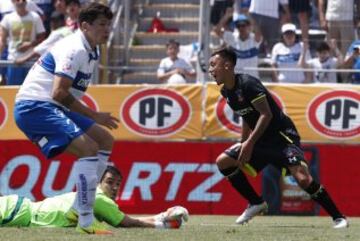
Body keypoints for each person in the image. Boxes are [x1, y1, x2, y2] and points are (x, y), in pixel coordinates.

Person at [208, 47, 349, 228]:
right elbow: (245, 115)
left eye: (213, 65)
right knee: (223, 162)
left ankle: (339, 217)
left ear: (227, 65)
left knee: (302, 178)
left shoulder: (248, 84)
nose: (210, 69)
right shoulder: (226, 92)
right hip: (260, 140)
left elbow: (266, 115)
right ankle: (256, 203)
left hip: (282, 136)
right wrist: (243, 142)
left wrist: (249, 143)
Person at [13, 3, 119, 234]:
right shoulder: (75, 49)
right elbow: (59, 93)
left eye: (108, 24)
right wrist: (94, 115)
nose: (107, 29)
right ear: (85, 26)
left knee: (104, 140)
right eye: (102, 24)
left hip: (51, 106)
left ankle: (80, 207)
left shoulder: (93, 49)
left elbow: (62, 96)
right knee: (89, 148)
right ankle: (85, 219)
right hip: (33, 107)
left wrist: (93, 118)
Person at [0, 166, 189, 229]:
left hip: (19, 207)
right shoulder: (98, 198)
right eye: (109, 182)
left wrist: (163, 216)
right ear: (98, 183)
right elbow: (126, 223)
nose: (114, 187)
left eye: (117, 184)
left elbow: (129, 220)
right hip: (18, 212)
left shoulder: (98, 198)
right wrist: (162, 222)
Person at [0, 0, 46, 85]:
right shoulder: (7, 18)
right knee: (12, 91)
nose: (21, 2)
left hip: (31, 61)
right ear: (13, 1)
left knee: (31, 91)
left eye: (23, 0)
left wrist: (30, 44)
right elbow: (2, 40)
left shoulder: (35, 17)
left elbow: (42, 37)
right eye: (18, 0)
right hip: (13, 61)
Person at [214, 10, 262, 78]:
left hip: (252, 80)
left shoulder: (254, 39)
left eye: (243, 25)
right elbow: (217, 31)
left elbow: (259, 34)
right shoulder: (232, 37)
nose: (241, 28)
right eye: (238, 26)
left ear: (249, 26)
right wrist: (226, 16)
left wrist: (249, 17)